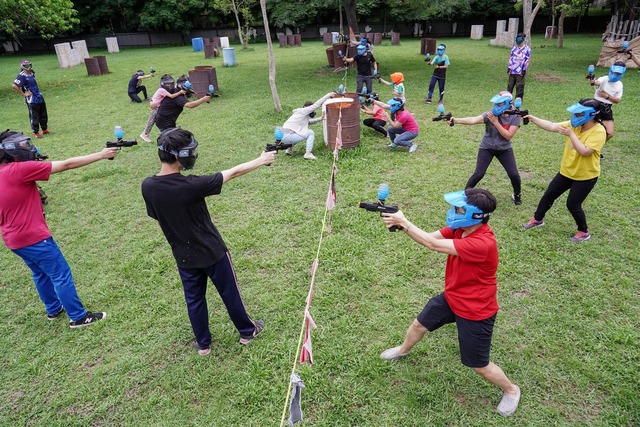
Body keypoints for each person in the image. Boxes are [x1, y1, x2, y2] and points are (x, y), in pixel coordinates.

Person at [379, 188, 521, 417]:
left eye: (460, 209)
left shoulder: (483, 243)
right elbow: (429, 238)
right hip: (452, 296)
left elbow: (433, 246)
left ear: (476, 215)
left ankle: (512, 390)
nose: (454, 212)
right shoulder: (459, 229)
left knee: (478, 365)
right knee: (419, 324)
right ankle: (404, 350)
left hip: (476, 310)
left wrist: (404, 223)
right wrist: (401, 226)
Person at [141, 128, 276, 355]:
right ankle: (247, 331)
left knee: (194, 300)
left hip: (183, 255)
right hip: (213, 252)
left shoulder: (148, 186)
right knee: (229, 292)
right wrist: (262, 160)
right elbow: (232, 173)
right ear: (179, 156)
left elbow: (159, 222)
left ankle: (203, 345)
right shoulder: (192, 185)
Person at [0, 132, 117, 328]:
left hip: (14, 240)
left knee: (40, 273)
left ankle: (53, 309)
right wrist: (100, 154)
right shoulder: (18, 170)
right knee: (60, 273)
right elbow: (66, 164)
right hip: (34, 238)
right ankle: (78, 317)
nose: (28, 147)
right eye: (23, 144)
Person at [523, 99, 606, 243]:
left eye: (578, 114)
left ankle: (583, 231)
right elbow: (552, 126)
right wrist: (532, 118)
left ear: (591, 115)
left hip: (585, 176)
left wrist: (571, 134)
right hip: (566, 171)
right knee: (549, 195)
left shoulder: (599, 131)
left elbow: (585, 152)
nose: (574, 117)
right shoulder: (575, 125)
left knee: (573, 204)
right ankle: (537, 219)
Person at [447, 91, 523, 205]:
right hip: (487, 147)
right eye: (496, 104)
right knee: (479, 173)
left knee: (514, 175)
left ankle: (517, 195)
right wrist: (456, 120)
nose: (496, 107)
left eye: (500, 104)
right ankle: (465, 195)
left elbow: (508, 136)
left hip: (504, 149)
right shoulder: (491, 114)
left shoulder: (515, 116)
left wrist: (496, 123)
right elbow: (473, 120)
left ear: (508, 103)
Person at [280, 92, 337, 160]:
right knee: (310, 133)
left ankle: (289, 150)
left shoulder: (301, 113)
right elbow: (317, 104)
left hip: (284, 136)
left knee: (298, 133)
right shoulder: (305, 111)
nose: (314, 112)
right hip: (288, 136)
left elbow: (308, 122)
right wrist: (328, 95)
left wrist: (320, 118)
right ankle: (308, 153)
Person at [140, 74, 186, 143]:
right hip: (155, 107)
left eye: (170, 84)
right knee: (152, 120)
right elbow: (171, 96)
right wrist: (180, 92)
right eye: (167, 84)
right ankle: (145, 134)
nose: (169, 85)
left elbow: (174, 88)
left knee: (157, 119)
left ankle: (171, 129)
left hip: (158, 106)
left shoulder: (163, 88)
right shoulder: (162, 90)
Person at [11, 60, 50, 139]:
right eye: (26, 66)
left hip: (39, 96)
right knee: (34, 116)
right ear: (22, 67)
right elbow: (14, 85)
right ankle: (36, 132)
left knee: (43, 113)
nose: (28, 67)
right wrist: (24, 94)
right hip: (32, 99)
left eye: (29, 65)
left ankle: (45, 129)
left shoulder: (32, 73)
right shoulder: (21, 76)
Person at [588, 62, 625, 141]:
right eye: (614, 73)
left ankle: (595, 148)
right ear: (610, 71)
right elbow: (598, 82)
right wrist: (593, 81)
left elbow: (617, 100)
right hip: (595, 105)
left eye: (618, 74)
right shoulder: (604, 78)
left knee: (609, 133)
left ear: (622, 74)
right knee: (589, 130)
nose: (615, 75)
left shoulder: (620, 85)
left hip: (607, 108)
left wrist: (606, 96)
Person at [507, 33, 531, 100]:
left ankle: (518, 105)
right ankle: (508, 103)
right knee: (509, 87)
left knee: (519, 88)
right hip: (512, 71)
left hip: (520, 72)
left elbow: (527, 60)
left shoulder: (527, 49)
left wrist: (524, 70)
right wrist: (509, 67)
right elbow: (511, 58)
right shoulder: (514, 48)